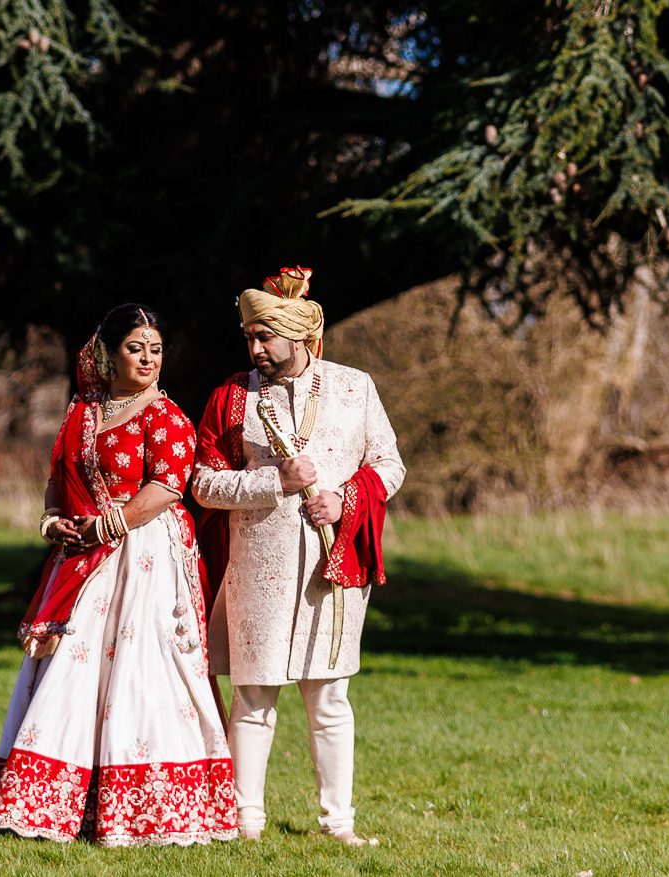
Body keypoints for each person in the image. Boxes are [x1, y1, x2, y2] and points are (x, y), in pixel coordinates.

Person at [0, 304, 238, 847]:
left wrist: (108, 526)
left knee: (141, 668)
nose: (148, 359)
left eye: (156, 349)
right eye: (135, 348)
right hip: (84, 553)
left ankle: (150, 807)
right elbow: (60, 475)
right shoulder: (83, 409)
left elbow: (168, 487)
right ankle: (61, 803)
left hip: (145, 555)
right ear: (110, 351)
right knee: (72, 664)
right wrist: (55, 522)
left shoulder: (167, 418)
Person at [193, 266, 405, 846]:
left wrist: (344, 500)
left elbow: (390, 464)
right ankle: (244, 824)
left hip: (332, 568)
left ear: (297, 333)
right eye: (249, 337)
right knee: (254, 697)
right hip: (256, 569)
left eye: (265, 336)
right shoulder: (230, 397)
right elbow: (203, 484)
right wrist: (272, 483)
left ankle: (339, 825)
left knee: (330, 700)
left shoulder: (354, 387)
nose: (255, 348)